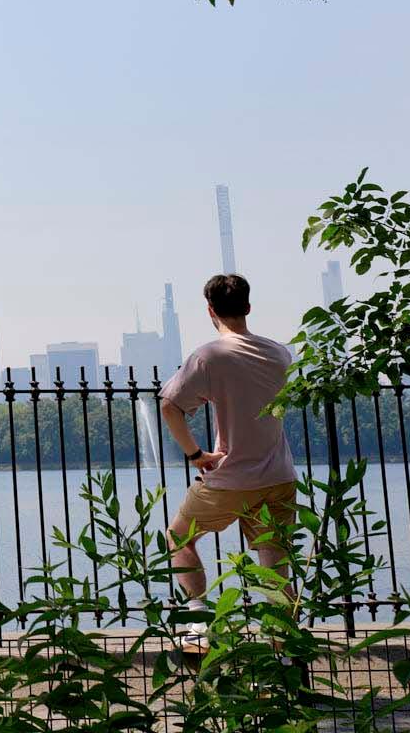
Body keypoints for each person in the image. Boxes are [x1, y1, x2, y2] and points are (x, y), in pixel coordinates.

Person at [159, 272, 298, 648]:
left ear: (210, 311)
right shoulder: (279, 353)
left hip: (230, 476)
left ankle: (200, 624)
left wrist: (196, 454)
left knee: (178, 538)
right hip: (279, 474)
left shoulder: (210, 357)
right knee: (275, 560)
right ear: (248, 308)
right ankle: (280, 649)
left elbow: (170, 406)